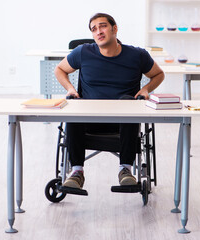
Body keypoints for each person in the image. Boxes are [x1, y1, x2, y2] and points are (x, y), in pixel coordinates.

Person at [54, 13, 164, 189]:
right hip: (89, 120)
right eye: (94, 29)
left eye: (102, 26)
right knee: (74, 107)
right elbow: (60, 69)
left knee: (128, 103)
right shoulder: (83, 52)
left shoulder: (137, 55)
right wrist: (70, 89)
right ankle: (76, 172)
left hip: (123, 122)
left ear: (115, 29)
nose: (98, 31)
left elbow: (159, 74)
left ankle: (125, 170)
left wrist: (145, 89)